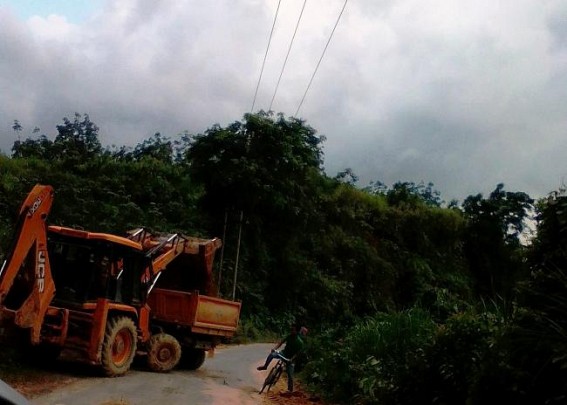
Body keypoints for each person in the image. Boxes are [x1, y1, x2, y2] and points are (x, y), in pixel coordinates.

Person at [257, 323, 305, 393]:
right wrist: (275, 348)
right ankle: (265, 366)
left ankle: (289, 391)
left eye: (293, 330)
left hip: (291, 359)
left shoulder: (300, 342)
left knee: (290, 376)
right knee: (272, 354)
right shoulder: (289, 336)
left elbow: (297, 354)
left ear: (297, 331)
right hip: (283, 353)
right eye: (291, 329)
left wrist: (291, 359)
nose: (291, 331)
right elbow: (281, 342)